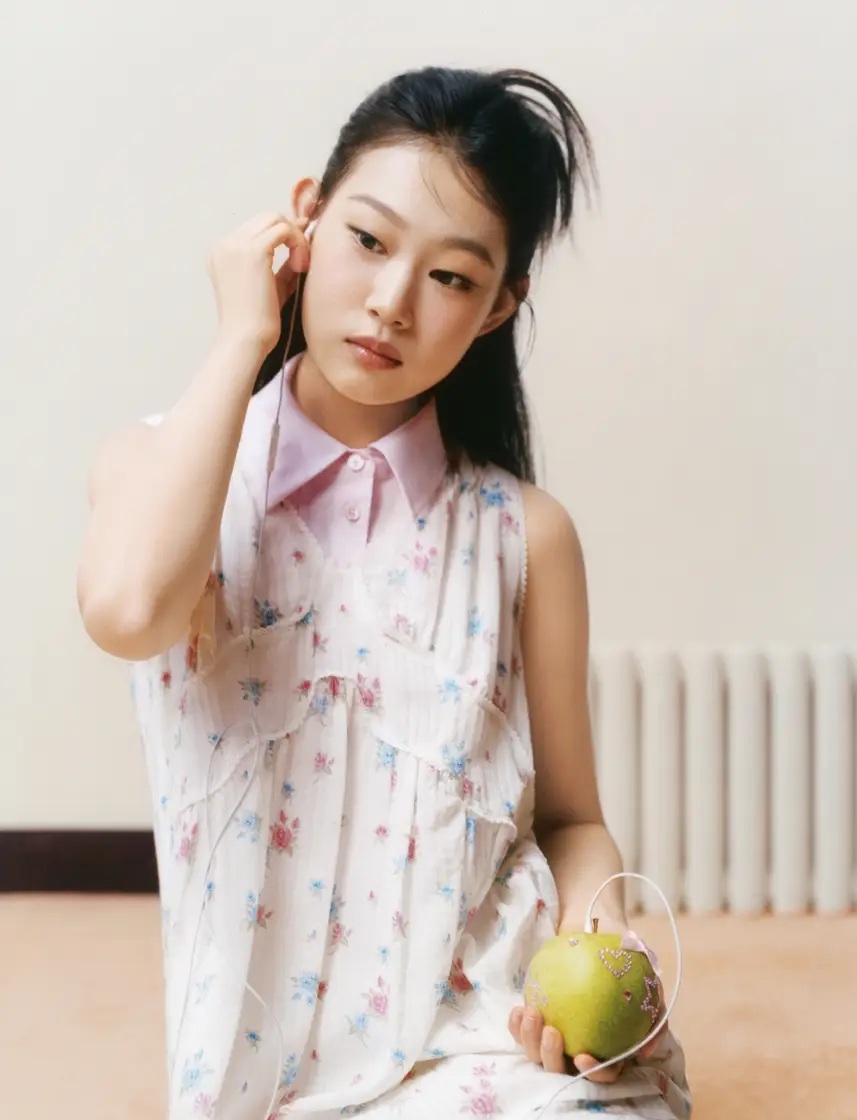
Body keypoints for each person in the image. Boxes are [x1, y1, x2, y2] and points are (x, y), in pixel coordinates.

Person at [77, 65, 691, 1120]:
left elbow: (571, 820)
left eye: (450, 277)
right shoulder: (155, 467)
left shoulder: (525, 535)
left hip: (494, 1046)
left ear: (498, 307)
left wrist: (595, 936)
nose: (390, 303)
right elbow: (130, 614)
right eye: (366, 239)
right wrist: (242, 333)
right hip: (263, 1085)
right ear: (303, 220)